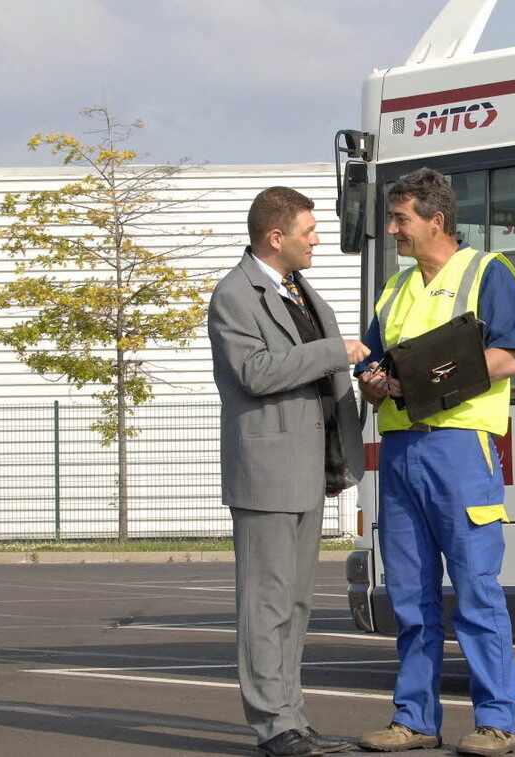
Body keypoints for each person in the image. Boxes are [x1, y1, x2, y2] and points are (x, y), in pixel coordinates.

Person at [355, 168, 515, 757]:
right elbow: (372, 366)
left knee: (476, 590)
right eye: (392, 218)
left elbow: (509, 356)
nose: (393, 230)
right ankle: (414, 719)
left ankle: (496, 723)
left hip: (460, 447)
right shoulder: (396, 290)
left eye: (401, 218)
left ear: (437, 220)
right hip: (402, 450)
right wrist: (375, 381)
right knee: (410, 595)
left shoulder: (488, 271)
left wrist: (424, 382)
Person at [208, 186, 370, 757]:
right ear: (275, 238)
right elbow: (254, 371)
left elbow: (321, 372)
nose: (317, 240)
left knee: (297, 602)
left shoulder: (298, 291)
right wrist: (335, 352)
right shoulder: (235, 294)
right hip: (268, 474)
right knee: (266, 604)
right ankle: (272, 724)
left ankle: (291, 715)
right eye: (308, 232)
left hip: (309, 469)